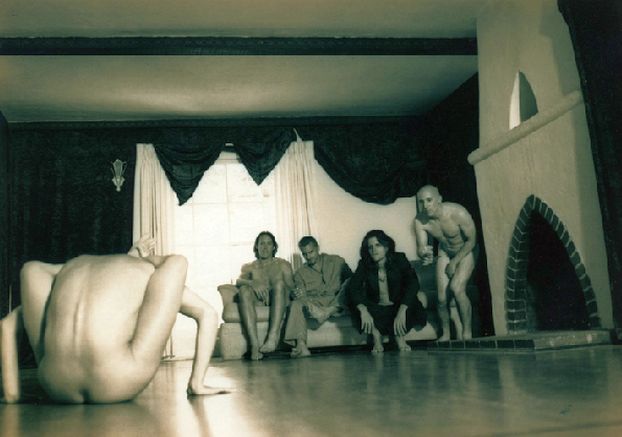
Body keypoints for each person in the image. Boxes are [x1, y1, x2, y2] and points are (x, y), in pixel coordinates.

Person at [0, 237, 229, 404]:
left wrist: (12, 393)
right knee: (178, 262)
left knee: (30, 269)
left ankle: (12, 393)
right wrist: (146, 259)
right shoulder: (145, 270)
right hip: (117, 382)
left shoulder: (71, 269)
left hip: (55, 384)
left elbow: (6, 325)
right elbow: (207, 314)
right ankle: (197, 385)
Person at [347, 230, 427, 353]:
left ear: (386, 247)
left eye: (378, 245)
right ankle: (376, 335)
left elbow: (413, 283)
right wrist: (363, 310)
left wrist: (402, 310)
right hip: (376, 309)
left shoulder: (399, 259)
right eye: (370, 247)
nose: (374, 250)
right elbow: (353, 287)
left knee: (412, 301)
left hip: (397, 307)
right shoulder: (364, 264)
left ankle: (399, 336)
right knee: (355, 303)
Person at [415, 184, 477, 341]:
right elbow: (421, 247)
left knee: (457, 289)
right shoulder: (420, 220)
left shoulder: (458, 213)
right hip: (445, 252)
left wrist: (454, 262)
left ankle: (467, 334)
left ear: (439, 199)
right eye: (421, 202)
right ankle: (446, 334)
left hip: (466, 251)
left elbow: (472, 241)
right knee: (441, 299)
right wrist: (423, 253)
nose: (425, 205)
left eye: (429, 200)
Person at [284, 236, 353, 358]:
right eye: (305, 254)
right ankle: (301, 346)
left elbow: (353, 281)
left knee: (349, 284)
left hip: (338, 300)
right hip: (316, 304)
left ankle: (327, 312)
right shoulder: (300, 273)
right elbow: (301, 295)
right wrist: (296, 295)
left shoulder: (337, 261)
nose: (308, 257)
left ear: (317, 248)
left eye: (311, 252)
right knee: (296, 303)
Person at [235, 231, 295, 360]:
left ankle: (272, 337)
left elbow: (291, 288)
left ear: (274, 247)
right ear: (256, 246)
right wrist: (252, 283)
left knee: (279, 283)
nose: (265, 247)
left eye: (269, 243)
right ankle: (254, 345)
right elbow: (238, 282)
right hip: (259, 300)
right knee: (244, 290)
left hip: (279, 299)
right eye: (262, 243)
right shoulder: (249, 266)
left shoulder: (283, 265)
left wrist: (277, 291)